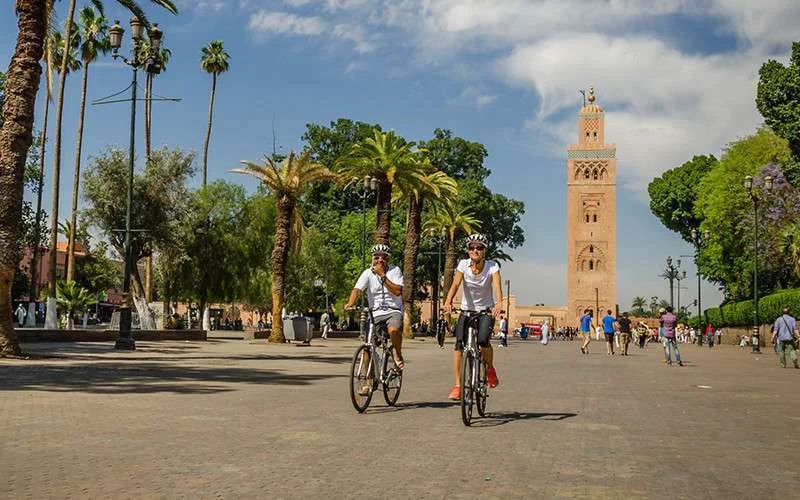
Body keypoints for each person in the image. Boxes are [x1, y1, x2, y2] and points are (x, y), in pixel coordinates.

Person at [443, 233, 503, 400]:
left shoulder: (492, 267)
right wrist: (447, 302)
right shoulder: (463, 265)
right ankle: (457, 385)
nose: (475, 250)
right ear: (468, 250)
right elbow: (455, 284)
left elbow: (497, 286)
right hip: (466, 310)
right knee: (459, 345)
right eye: (472, 247)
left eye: (479, 247)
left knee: (483, 341)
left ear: (484, 250)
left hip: (485, 310)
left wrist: (499, 303)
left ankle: (490, 368)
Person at [344, 244, 405, 395]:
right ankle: (368, 382)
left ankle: (397, 353)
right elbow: (357, 289)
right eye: (376, 257)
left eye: (382, 257)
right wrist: (350, 303)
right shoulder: (367, 273)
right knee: (368, 347)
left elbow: (398, 291)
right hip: (375, 314)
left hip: (393, 311)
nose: (379, 260)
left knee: (394, 330)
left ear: (387, 259)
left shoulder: (395, 271)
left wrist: (382, 276)